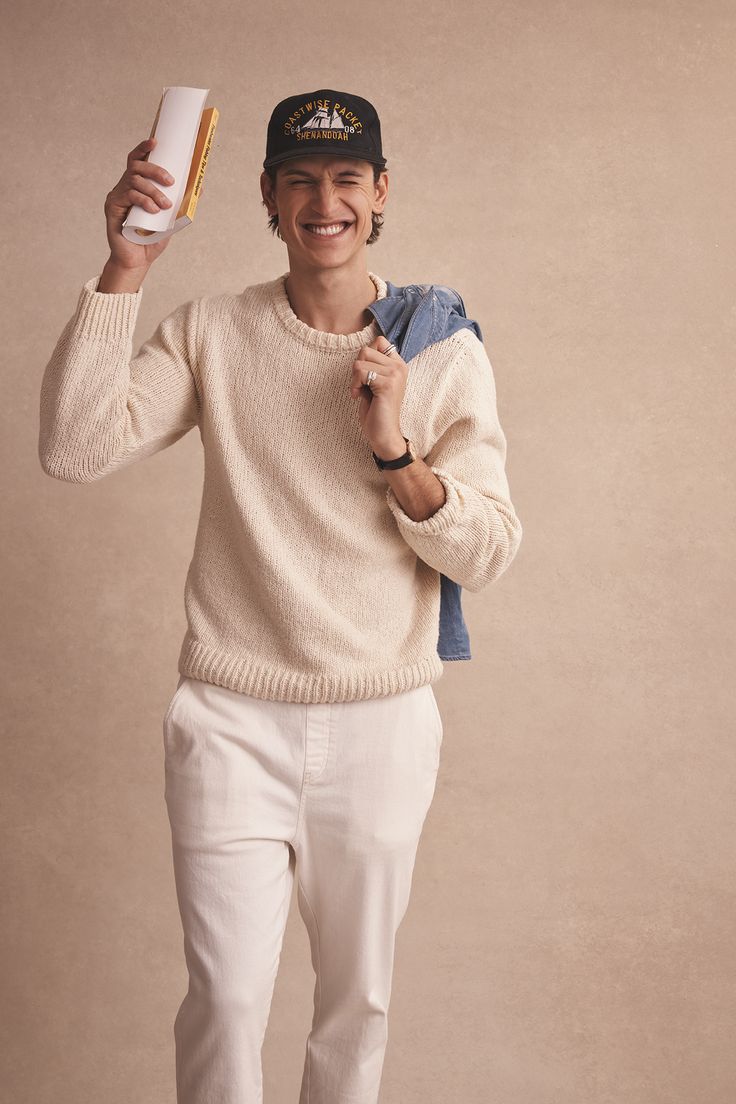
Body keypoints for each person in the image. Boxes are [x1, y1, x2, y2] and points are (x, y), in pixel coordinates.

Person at [38, 87, 523, 1103]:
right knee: (224, 998)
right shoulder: (213, 331)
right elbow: (75, 450)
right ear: (264, 193)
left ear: (380, 191)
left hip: (381, 718)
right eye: (300, 179)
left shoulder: (438, 349)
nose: (324, 200)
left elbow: (486, 549)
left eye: (347, 177)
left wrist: (392, 448)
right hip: (229, 717)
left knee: (358, 1003)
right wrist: (128, 263)